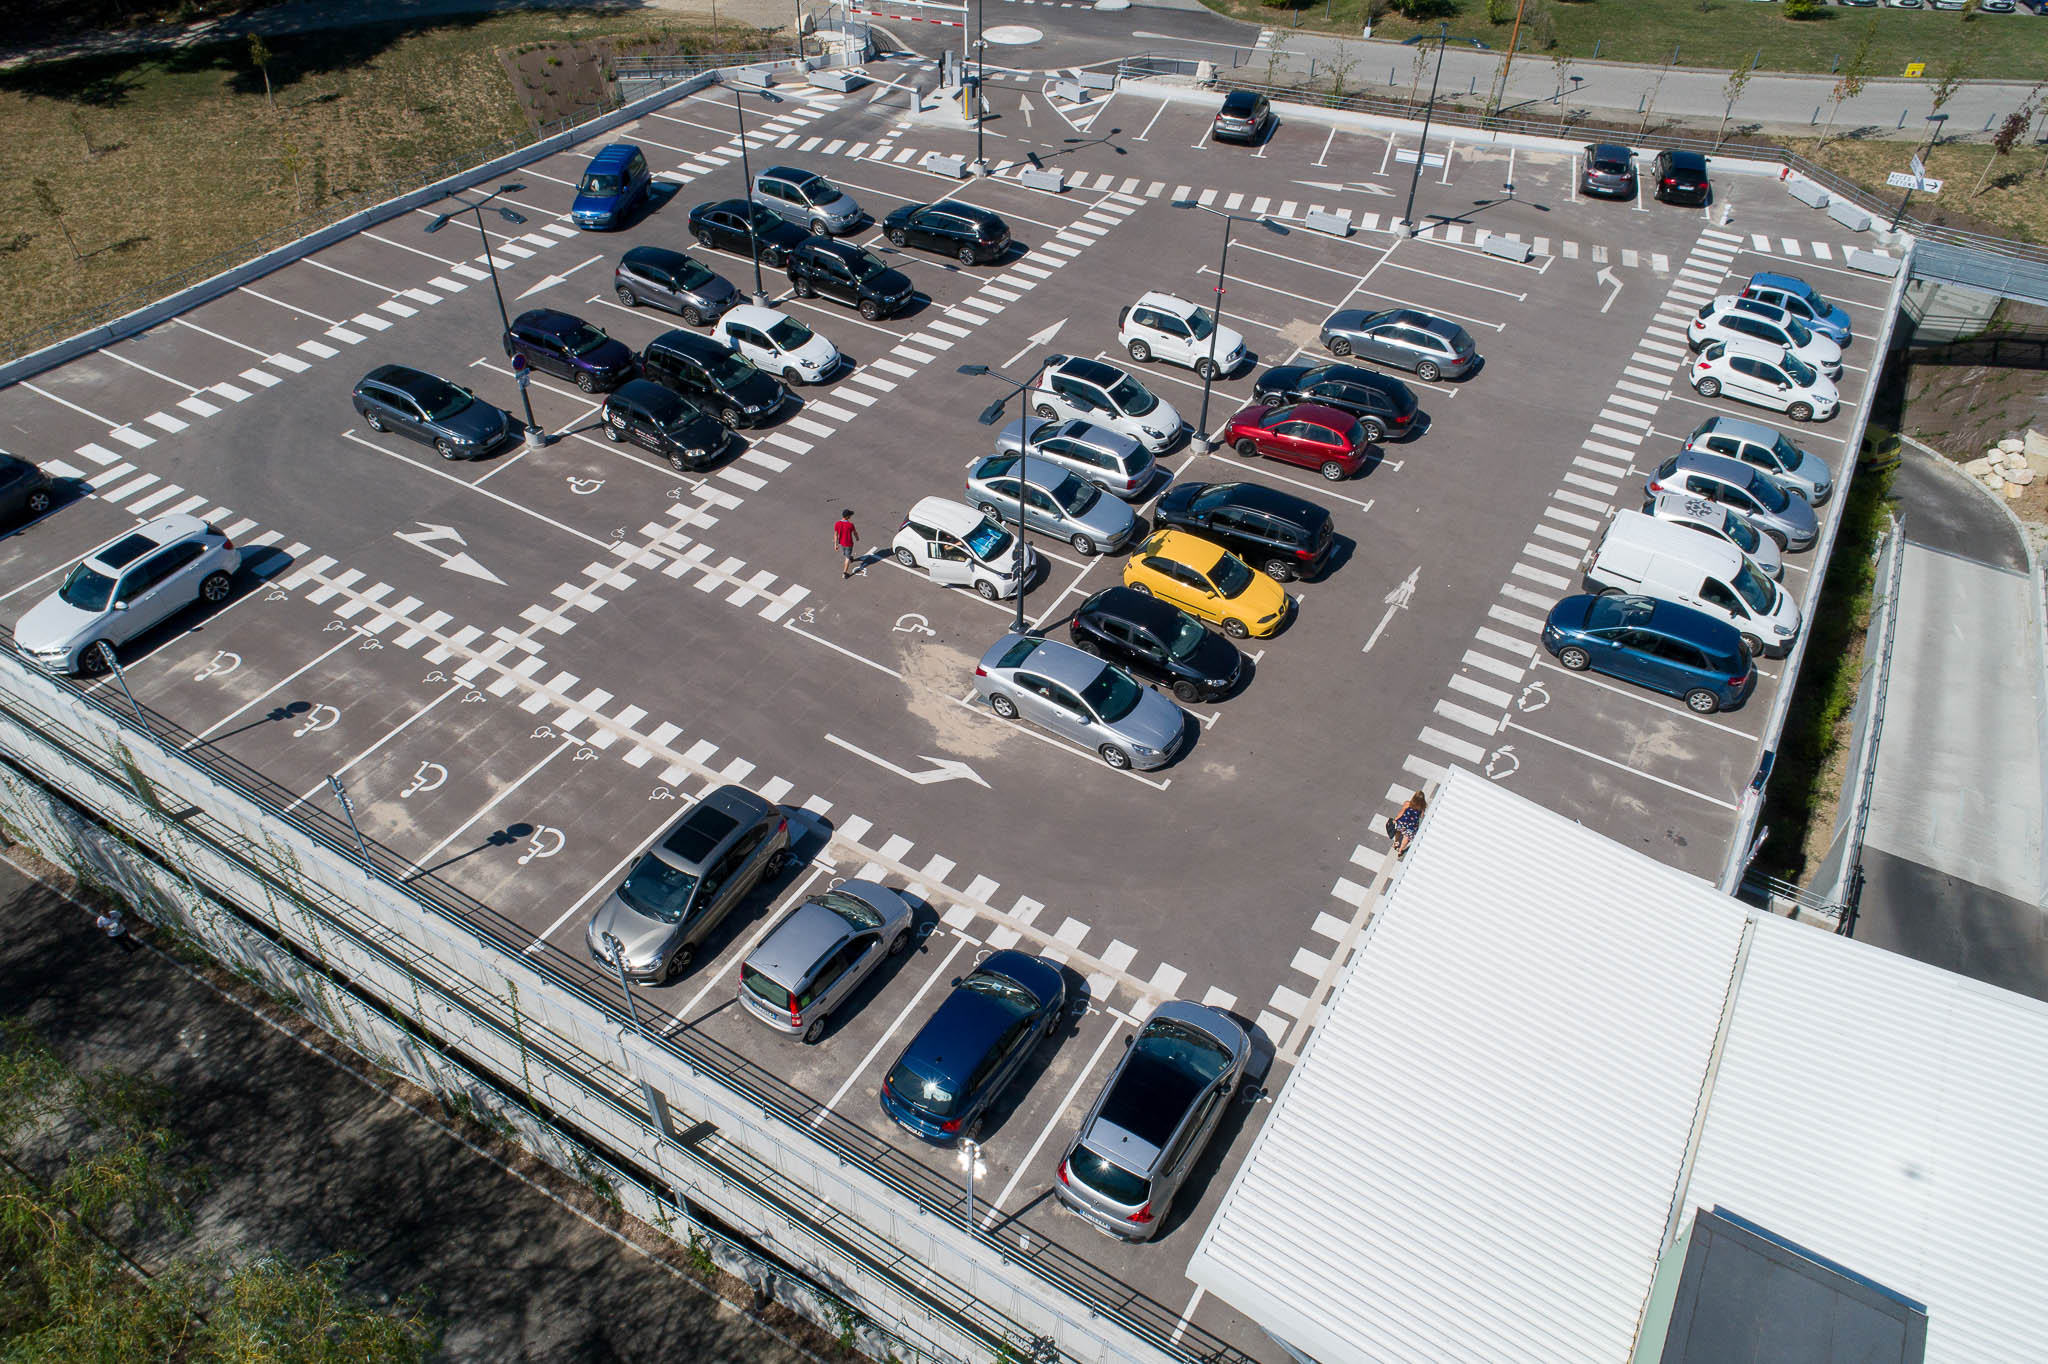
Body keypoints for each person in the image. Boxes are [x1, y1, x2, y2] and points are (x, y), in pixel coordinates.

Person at [1385, 790, 1427, 859]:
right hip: (1412, 826)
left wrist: (1395, 820)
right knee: (1406, 837)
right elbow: (1421, 816)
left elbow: (1401, 812)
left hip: (1403, 822)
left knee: (1398, 831)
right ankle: (1400, 850)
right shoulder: (1422, 809)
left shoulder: (1408, 803)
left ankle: (1396, 842)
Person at [833, 508, 859, 578]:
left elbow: (835, 535)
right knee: (847, 557)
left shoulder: (837, 524)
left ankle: (850, 558)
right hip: (849, 544)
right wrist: (857, 538)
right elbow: (855, 533)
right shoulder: (851, 525)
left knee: (846, 554)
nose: (850, 516)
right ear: (847, 516)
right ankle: (844, 573)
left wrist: (836, 544)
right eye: (850, 515)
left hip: (842, 543)